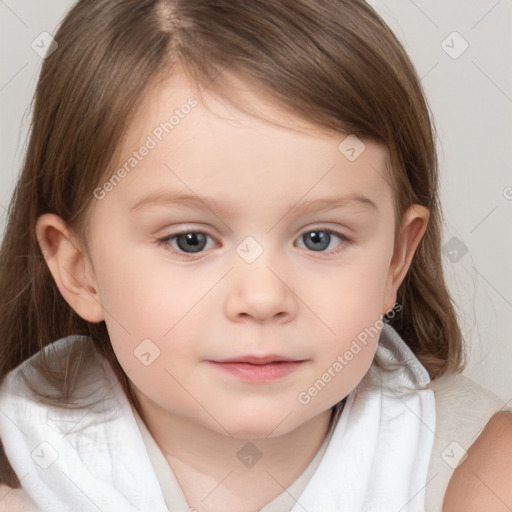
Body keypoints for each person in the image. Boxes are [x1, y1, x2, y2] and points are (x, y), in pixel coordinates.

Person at [0, 1, 511, 511]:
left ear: (396, 259)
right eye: (190, 241)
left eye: (319, 238)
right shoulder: (21, 471)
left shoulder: (475, 468)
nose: (263, 298)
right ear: (78, 269)